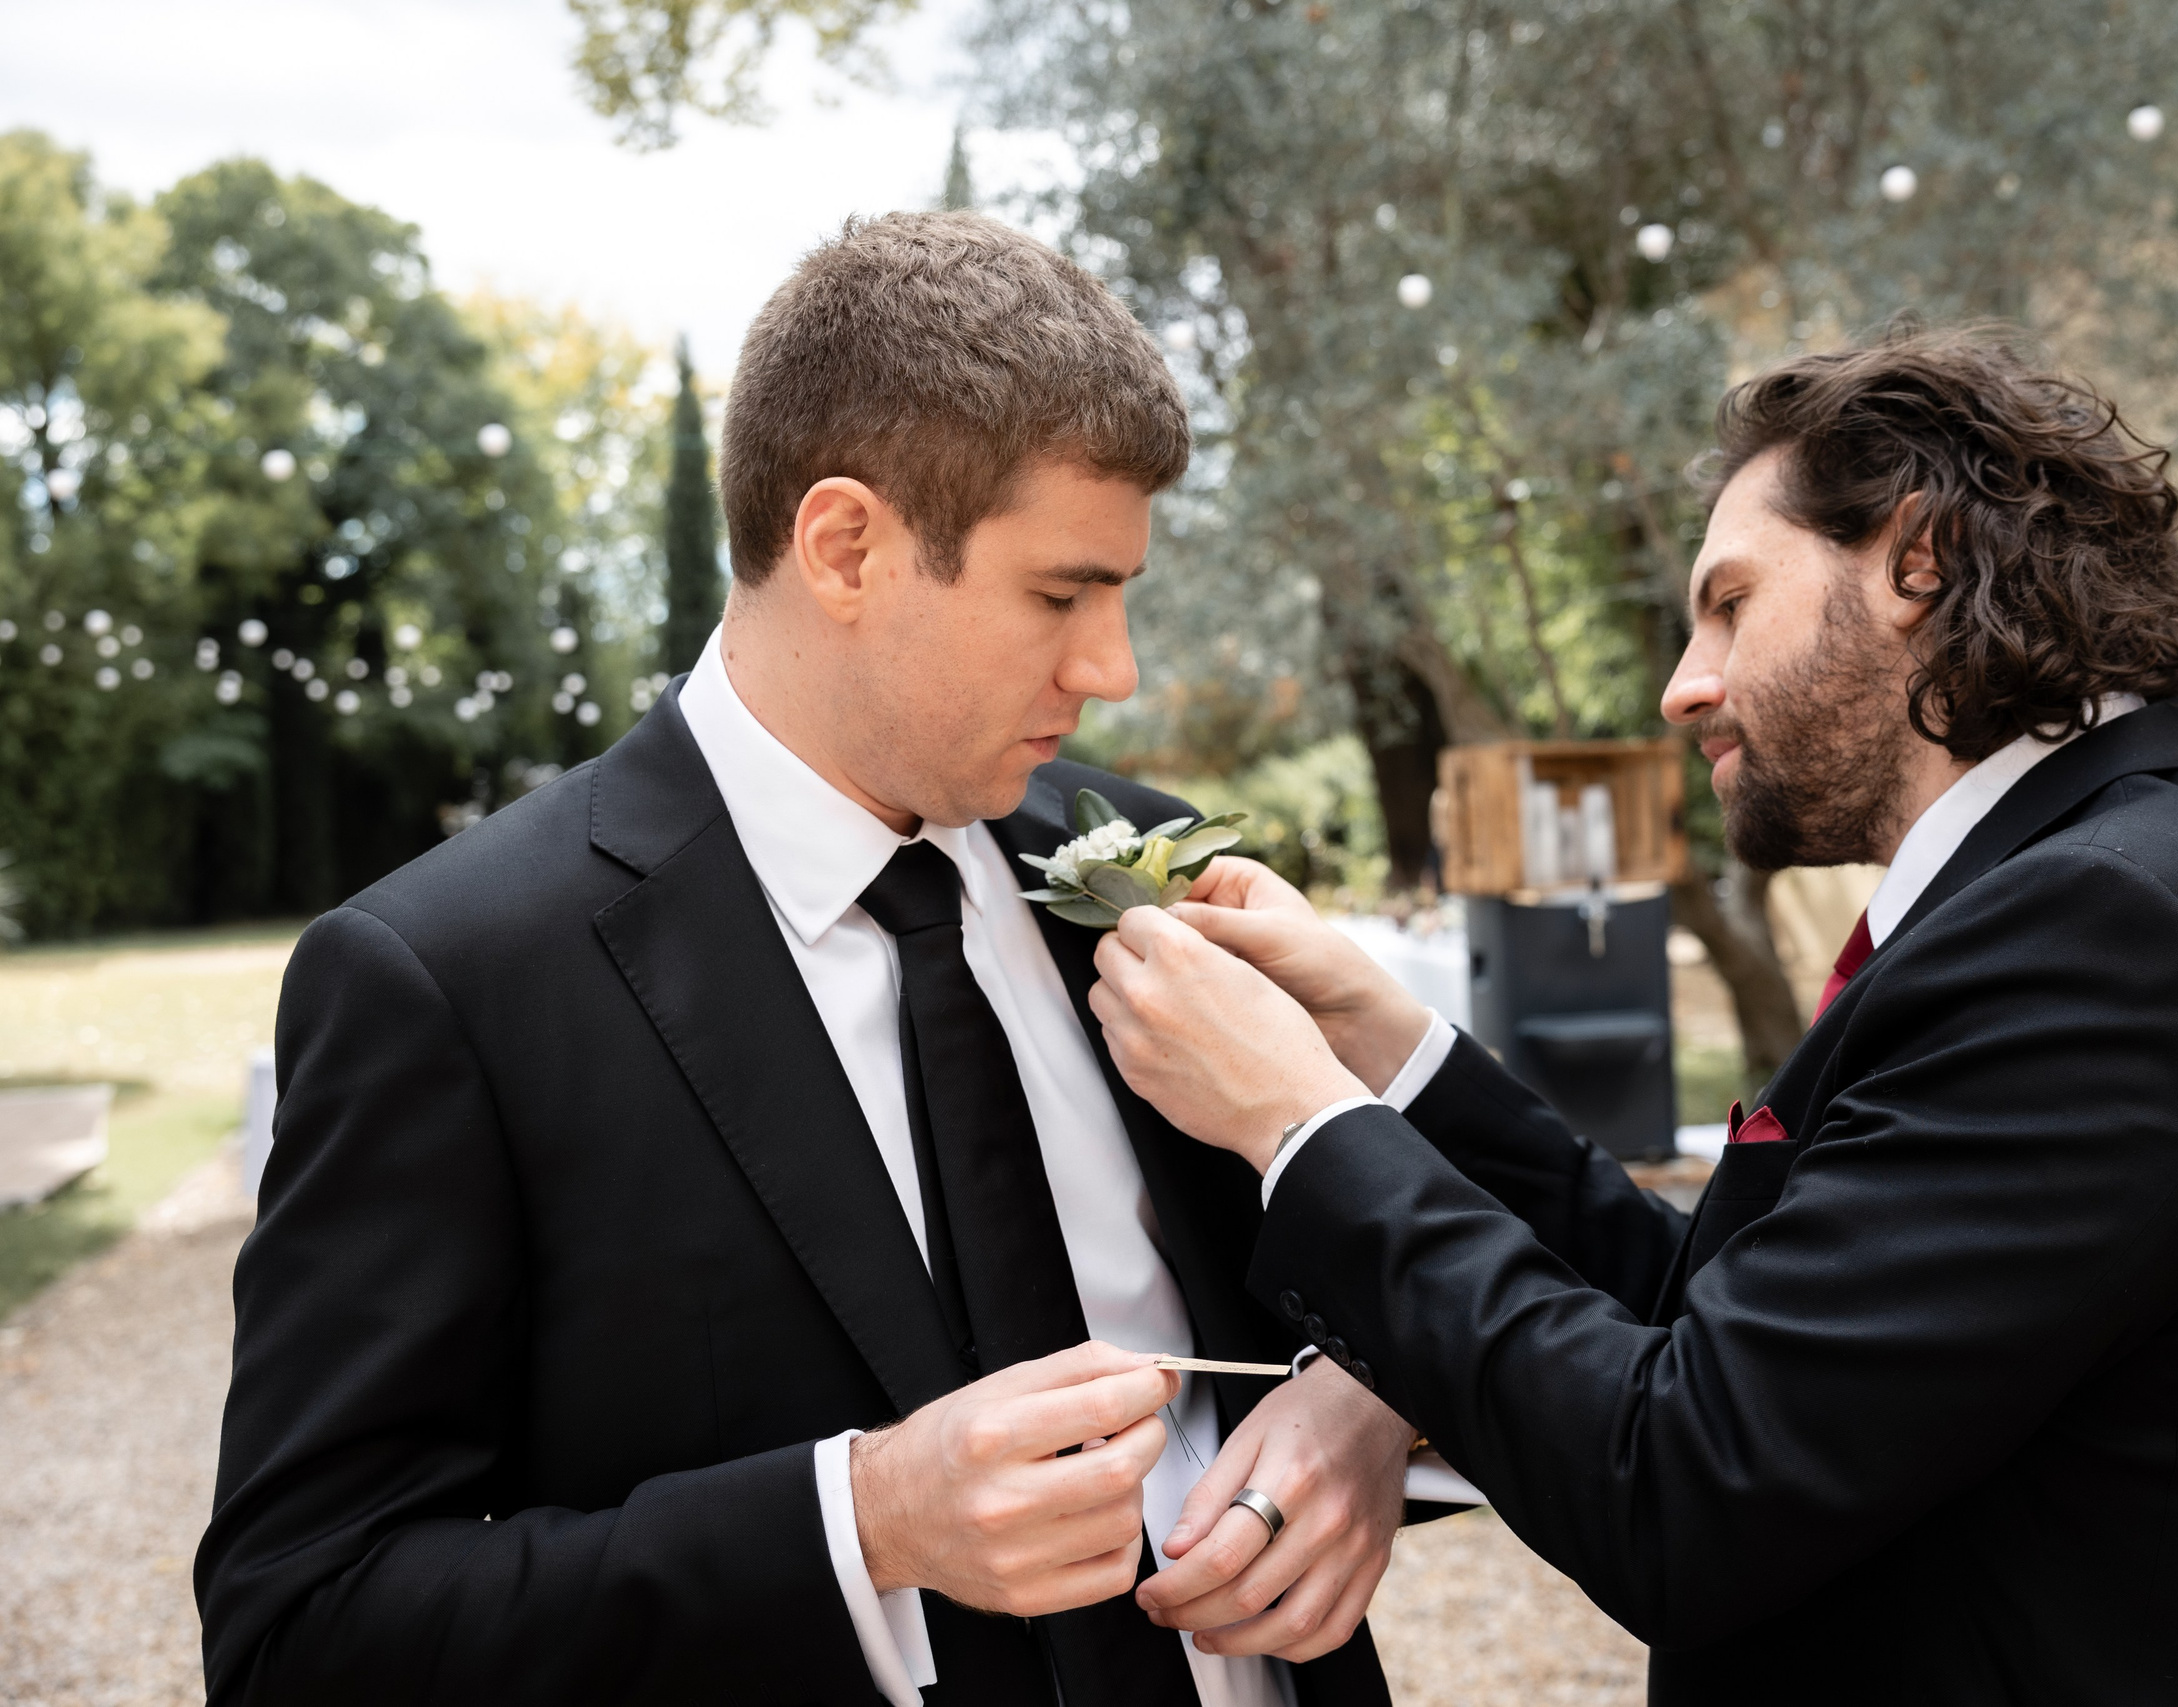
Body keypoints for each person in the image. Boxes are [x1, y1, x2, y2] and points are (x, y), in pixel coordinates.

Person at [195, 212, 1422, 1707]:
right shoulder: (448, 982)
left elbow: (1359, 1281)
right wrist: (861, 1524)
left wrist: (1366, 1409)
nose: (1113, 670)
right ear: (846, 547)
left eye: (1123, 596)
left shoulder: (1139, 873)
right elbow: (302, 1635)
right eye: (1061, 594)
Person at [1089, 328, 2178, 1705]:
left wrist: (1299, 1120)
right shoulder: (2093, 882)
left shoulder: (2107, 941)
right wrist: (1387, 1046)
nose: (1682, 685)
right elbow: (1735, 1323)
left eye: (1728, 604)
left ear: (1917, 560)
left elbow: (1688, 1485)